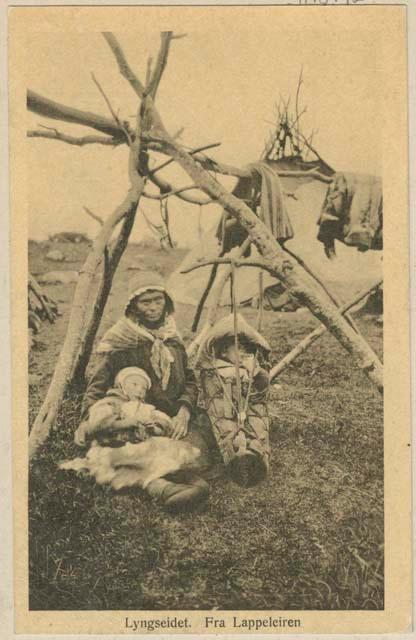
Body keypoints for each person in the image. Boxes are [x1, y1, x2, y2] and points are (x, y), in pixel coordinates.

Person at [78, 273, 212, 512]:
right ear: (134, 306)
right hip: (137, 421)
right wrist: (87, 419)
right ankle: (169, 488)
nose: (153, 308)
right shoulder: (121, 342)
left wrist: (183, 411)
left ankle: (179, 483)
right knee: (127, 453)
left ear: (166, 301)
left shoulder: (172, 339)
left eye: (158, 300)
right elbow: (97, 387)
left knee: (197, 456)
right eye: (145, 302)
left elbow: (190, 381)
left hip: (171, 419)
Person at [197, 313, 271, 488]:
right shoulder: (214, 370)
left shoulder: (251, 369)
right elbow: (213, 396)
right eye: (239, 349)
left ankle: (258, 457)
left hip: (249, 409)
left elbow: (260, 397)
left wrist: (258, 374)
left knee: (259, 428)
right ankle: (234, 459)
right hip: (226, 411)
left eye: (248, 350)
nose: (245, 353)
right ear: (223, 351)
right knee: (227, 431)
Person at [74, 367, 173, 447]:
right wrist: (125, 423)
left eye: (144, 388)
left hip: (138, 450)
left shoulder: (145, 408)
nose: (139, 390)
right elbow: (97, 426)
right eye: (134, 384)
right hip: (111, 447)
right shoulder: (112, 403)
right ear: (122, 386)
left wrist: (155, 428)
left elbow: (165, 422)